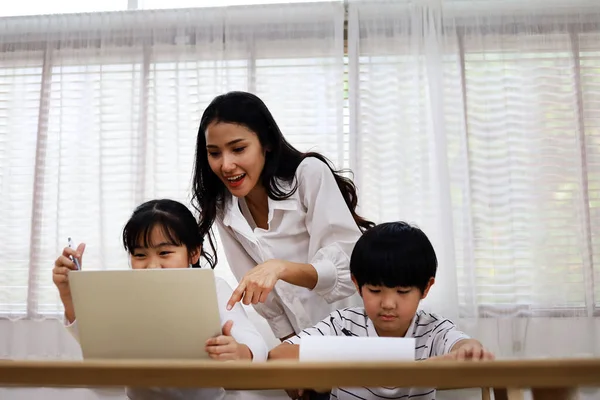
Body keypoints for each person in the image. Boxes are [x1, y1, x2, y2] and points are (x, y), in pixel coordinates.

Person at [192, 91, 375, 341]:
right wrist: (290, 344)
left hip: (356, 331)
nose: (225, 165)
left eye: (238, 148)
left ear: (266, 143)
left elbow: (342, 272)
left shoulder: (308, 175)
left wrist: (280, 268)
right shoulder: (224, 205)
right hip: (301, 339)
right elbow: (261, 294)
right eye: (214, 153)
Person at [52, 199, 269, 400]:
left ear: (193, 253)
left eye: (164, 253)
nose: (152, 265)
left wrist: (240, 352)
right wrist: (68, 295)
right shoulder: (124, 292)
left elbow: (257, 347)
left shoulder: (214, 287)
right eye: (140, 255)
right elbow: (98, 350)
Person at [268, 221, 495, 400]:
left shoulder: (433, 329)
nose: (388, 303)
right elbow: (279, 356)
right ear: (357, 284)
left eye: (403, 291)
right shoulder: (342, 324)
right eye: (375, 290)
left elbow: (466, 350)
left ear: (426, 288)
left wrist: (469, 350)